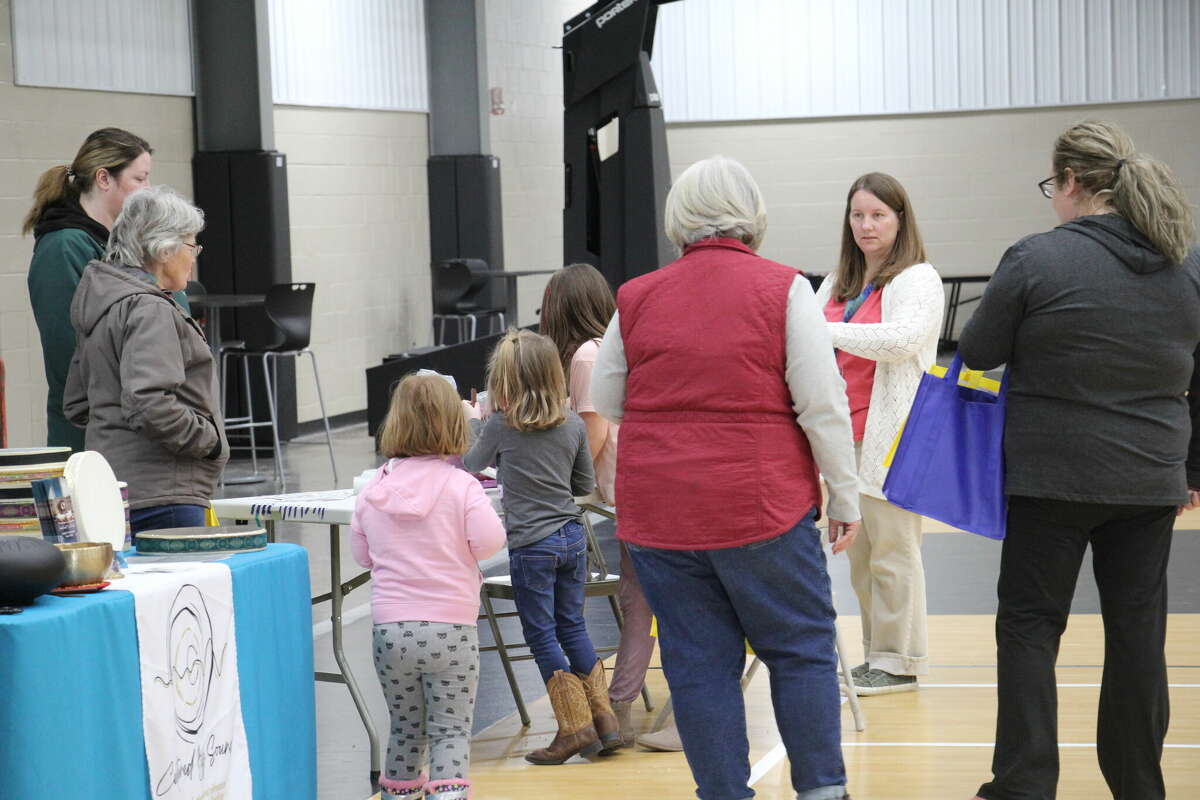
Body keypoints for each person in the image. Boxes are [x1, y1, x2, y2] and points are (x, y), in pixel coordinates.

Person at [590, 155, 861, 800]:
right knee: (799, 650)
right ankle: (822, 791)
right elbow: (822, 403)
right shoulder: (785, 289)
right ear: (752, 216)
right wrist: (844, 494)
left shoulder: (635, 297)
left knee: (697, 664)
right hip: (760, 505)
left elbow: (609, 399)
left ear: (678, 218)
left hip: (660, 514)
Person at [960, 120, 1200, 800]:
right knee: (1137, 635)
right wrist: (1192, 471)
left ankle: (1025, 785)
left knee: (1031, 627)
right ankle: (1139, 787)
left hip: (1050, 480)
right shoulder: (1186, 264)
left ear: (1070, 182)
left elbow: (977, 351)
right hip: (1149, 480)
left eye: (1052, 186)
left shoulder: (1036, 258)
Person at [462, 329, 619, 765]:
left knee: (541, 634)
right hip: (572, 537)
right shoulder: (572, 424)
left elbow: (471, 463)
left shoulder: (500, 425)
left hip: (532, 545)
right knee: (573, 626)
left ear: (505, 381)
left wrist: (473, 420)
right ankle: (605, 720)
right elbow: (582, 484)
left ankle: (573, 728)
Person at [814, 172, 944, 696]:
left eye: (877, 215)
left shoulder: (917, 278)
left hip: (893, 437)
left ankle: (900, 661)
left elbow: (901, 340)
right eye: (858, 215)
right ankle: (878, 656)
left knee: (894, 550)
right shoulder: (837, 281)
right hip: (842, 437)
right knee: (862, 557)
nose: (866, 225)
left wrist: (824, 330)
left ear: (900, 219)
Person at [351, 373, 506, 800]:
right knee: (449, 730)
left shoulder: (374, 490)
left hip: (390, 631)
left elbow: (362, 555)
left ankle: (398, 792)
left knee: (404, 728)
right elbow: (490, 541)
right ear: (453, 423)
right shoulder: (461, 486)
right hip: (451, 630)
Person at [540, 263, 665, 749]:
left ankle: (617, 705)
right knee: (641, 599)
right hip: (642, 487)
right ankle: (618, 705)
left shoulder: (585, 358)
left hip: (633, 491)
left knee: (639, 600)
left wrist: (558, 481)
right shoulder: (608, 347)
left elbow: (591, 435)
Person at [63, 186, 227, 535]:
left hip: (113, 489)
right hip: (164, 495)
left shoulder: (103, 304)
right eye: (191, 246)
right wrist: (209, 443)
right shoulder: (150, 308)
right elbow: (149, 403)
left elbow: (78, 404)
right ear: (163, 249)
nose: (194, 257)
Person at [24, 128, 188, 452]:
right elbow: (69, 354)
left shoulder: (125, 243)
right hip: (95, 432)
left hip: (137, 422)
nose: (148, 189)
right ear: (103, 178)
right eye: (139, 179)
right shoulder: (63, 247)